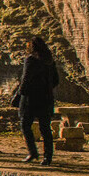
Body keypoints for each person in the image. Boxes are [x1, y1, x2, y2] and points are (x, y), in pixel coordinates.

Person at [15, 36, 59, 165]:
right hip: (46, 99)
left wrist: (20, 94)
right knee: (45, 128)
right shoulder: (50, 61)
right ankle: (48, 157)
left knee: (25, 125)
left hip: (30, 99)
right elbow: (56, 80)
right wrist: (46, 89)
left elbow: (26, 79)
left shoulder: (30, 60)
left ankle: (33, 152)